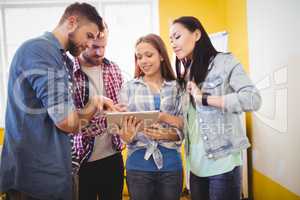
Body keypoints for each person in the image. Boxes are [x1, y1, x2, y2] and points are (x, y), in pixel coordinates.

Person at [0, 3, 114, 200]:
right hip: (35, 180)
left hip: (56, 174)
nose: (89, 45)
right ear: (72, 23)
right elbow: (67, 122)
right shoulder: (40, 51)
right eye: (88, 36)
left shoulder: (63, 59)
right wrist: (93, 104)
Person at [169, 16, 262, 200]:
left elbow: (252, 99)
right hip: (195, 166)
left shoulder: (225, 62)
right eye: (170, 39)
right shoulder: (186, 72)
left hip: (222, 163)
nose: (173, 43)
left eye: (177, 36)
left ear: (196, 34)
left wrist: (204, 99)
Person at [118, 34, 184, 200]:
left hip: (171, 166)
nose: (144, 61)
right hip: (138, 167)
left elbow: (185, 125)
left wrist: (166, 132)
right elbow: (121, 130)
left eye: (149, 55)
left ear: (161, 55)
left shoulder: (177, 87)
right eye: (139, 57)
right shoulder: (128, 88)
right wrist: (126, 136)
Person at [71, 23, 125, 200]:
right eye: (95, 47)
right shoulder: (68, 73)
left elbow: (118, 114)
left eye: (104, 47)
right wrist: (106, 119)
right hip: (82, 160)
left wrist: (122, 112)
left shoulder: (114, 69)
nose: (100, 52)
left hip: (113, 157)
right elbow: (74, 125)